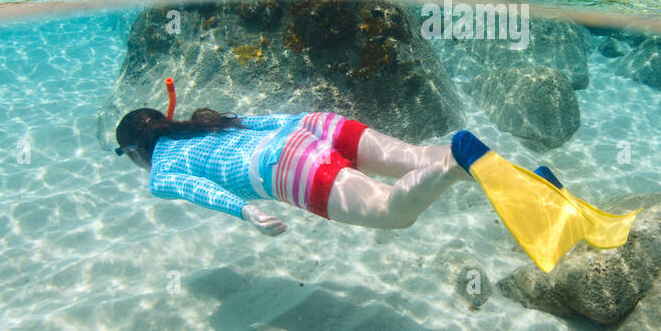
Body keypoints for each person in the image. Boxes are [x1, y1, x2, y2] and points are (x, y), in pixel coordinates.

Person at [114, 107, 466, 234]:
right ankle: (470, 157)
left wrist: (247, 211)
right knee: (418, 156)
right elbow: (259, 122)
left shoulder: (160, 175)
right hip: (312, 124)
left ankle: (452, 165)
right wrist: (310, 123)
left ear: (133, 151)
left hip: (284, 166)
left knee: (394, 213)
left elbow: (201, 191)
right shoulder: (199, 124)